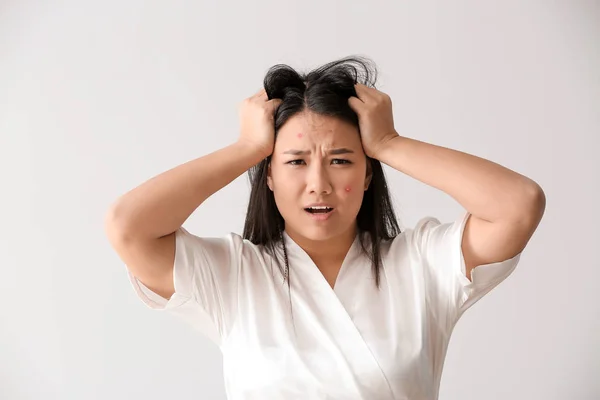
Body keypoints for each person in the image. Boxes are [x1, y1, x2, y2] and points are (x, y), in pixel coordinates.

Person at [105, 56, 546, 400]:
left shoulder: (422, 264)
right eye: (296, 162)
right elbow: (128, 227)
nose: (319, 184)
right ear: (269, 176)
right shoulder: (231, 275)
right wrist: (246, 147)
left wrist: (391, 143)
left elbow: (518, 205)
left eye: (340, 160)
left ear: (370, 173)